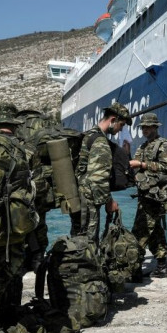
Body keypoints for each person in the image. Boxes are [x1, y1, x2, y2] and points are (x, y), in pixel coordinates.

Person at [0, 102, 37, 329]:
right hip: (8, 230)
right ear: (15, 127)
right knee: (3, 277)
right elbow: (30, 191)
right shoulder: (22, 151)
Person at [73, 102, 130, 244]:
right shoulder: (100, 141)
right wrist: (109, 201)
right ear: (112, 120)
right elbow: (98, 178)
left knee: (78, 240)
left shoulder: (88, 134)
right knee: (88, 244)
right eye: (121, 125)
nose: (120, 129)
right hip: (89, 201)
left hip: (79, 197)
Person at [129, 113, 167, 279]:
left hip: (156, 196)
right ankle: (162, 266)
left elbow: (166, 166)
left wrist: (142, 164)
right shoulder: (142, 147)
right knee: (154, 231)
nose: (144, 130)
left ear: (155, 127)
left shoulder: (164, 145)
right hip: (145, 194)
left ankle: (134, 270)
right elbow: (134, 166)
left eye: (148, 127)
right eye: (143, 127)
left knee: (140, 232)